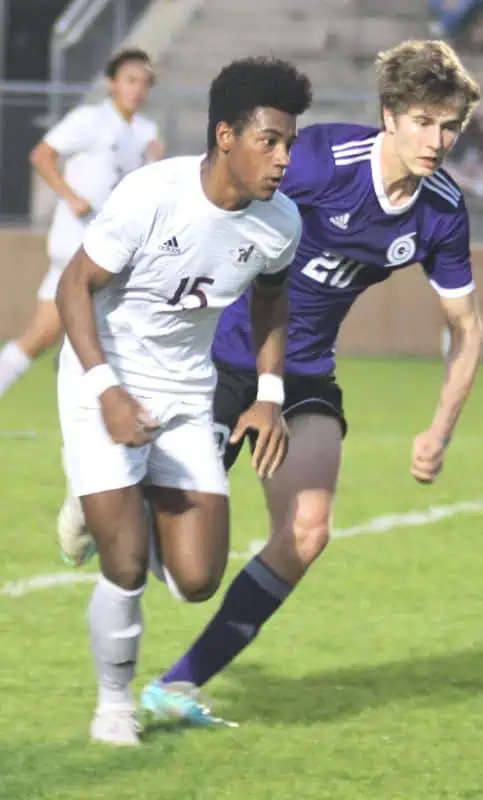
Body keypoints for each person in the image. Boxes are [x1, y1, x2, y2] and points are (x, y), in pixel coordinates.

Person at [130, 39, 483, 726]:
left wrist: (439, 430)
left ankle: (178, 686)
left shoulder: (442, 209)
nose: (436, 141)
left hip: (307, 371)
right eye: (422, 122)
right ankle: (107, 500)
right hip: (223, 359)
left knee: (308, 530)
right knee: (180, 566)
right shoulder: (323, 161)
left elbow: (467, 328)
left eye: (449, 127)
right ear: (389, 116)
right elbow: (221, 198)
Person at [56, 55, 311, 746]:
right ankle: (113, 707)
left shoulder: (279, 222)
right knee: (126, 564)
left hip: (187, 390)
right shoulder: (152, 195)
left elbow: (272, 300)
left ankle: (108, 499)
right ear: (226, 136)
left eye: (289, 144)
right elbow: (74, 285)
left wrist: (269, 393)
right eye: (270, 141)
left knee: (197, 579)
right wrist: (107, 390)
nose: (284, 159)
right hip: (105, 375)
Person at [0, 48, 162, 400]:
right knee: (101, 333)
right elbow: (42, 154)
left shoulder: (146, 131)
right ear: (112, 83)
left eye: (144, 82)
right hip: (78, 245)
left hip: (114, 247)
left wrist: (155, 162)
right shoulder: (90, 119)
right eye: (131, 80)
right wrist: (70, 195)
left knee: (43, 333)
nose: (138, 89)